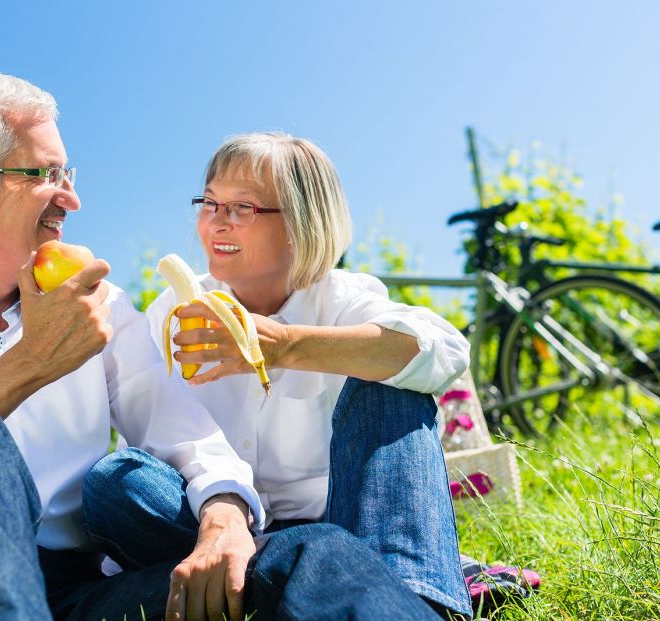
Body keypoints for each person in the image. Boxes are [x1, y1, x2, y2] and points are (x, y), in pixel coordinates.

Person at [0, 71, 446, 621]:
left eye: (68, 173)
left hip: (76, 593)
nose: (73, 198)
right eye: (46, 174)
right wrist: (27, 366)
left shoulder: (102, 307)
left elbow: (183, 431)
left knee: (312, 553)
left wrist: (224, 518)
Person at [144, 132, 474, 619]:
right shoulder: (172, 311)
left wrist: (284, 346)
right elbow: (160, 435)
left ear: (302, 220)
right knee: (122, 483)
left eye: (243, 207)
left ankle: (414, 600)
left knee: (393, 389)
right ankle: (328, 591)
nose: (216, 221)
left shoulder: (343, 297)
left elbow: (444, 350)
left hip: (344, 525)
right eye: (209, 202)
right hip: (213, 527)